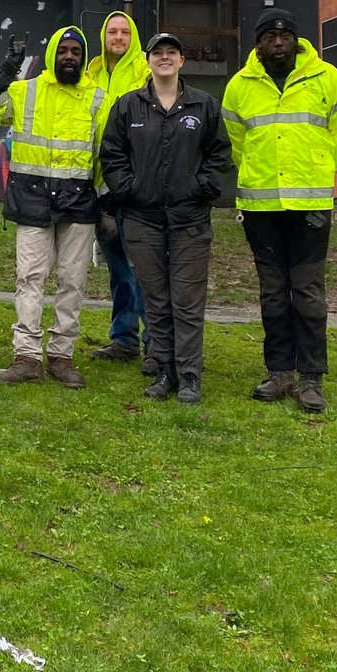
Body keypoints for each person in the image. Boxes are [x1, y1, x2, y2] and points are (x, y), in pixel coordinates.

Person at [222, 8, 337, 413]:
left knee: (309, 293)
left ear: (296, 40)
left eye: (285, 35)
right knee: (273, 294)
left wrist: (318, 166)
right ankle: (280, 372)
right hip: (261, 207)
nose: (278, 41)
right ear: (258, 44)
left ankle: (312, 378)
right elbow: (236, 142)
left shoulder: (327, 78)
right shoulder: (239, 86)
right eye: (269, 36)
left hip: (310, 206)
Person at [0, 26, 108, 389]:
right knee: (29, 278)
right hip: (32, 199)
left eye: (76, 52)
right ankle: (27, 356)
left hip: (79, 201)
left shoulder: (97, 98)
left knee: (72, 281)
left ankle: (62, 356)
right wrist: (8, 66)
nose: (69, 57)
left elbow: (105, 153)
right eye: (63, 50)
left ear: (82, 58)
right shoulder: (24, 91)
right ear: (52, 56)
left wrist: (106, 201)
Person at [100, 33, 232, 404]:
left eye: (171, 52)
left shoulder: (203, 105)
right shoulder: (128, 107)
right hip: (142, 220)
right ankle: (164, 370)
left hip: (189, 220)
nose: (164, 58)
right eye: (157, 53)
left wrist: (201, 186)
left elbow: (219, 153)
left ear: (181, 60)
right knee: (156, 299)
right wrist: (128, 190)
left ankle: (190, 374)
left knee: (187, 301)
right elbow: (112, 154)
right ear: (147, 61)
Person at [85, 10, 153, 369]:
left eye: (125, 32)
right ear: (103, 35)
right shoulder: (91, 71)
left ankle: (154, 343)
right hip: (99, 185)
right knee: (118, 269)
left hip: (135, 185)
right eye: (112, 31)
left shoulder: (146, 71)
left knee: (144, 267)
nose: (119, 37)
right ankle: (123, 338)